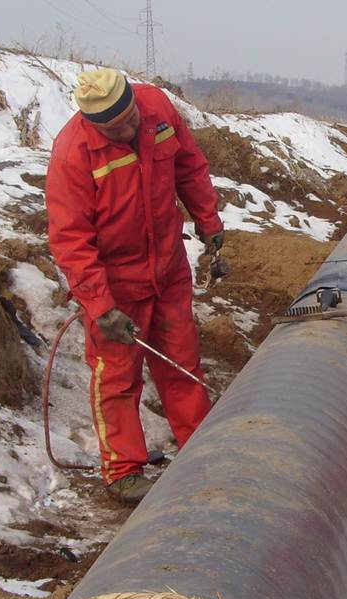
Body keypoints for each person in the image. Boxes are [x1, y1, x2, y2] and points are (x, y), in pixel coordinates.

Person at [46, 68, 224, 504]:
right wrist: (100, 306)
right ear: (92, 123)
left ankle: (201, 453)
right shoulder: (73, 155)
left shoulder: (157, 108)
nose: (126, 132)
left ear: (133, 103)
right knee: (117, 378)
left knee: (182, 363)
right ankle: (124, 471)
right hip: (116, 284)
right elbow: (70, 239)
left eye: (129, 121)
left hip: (168, 267)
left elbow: (189, 166)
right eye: (114, 130)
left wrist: (208, 221)